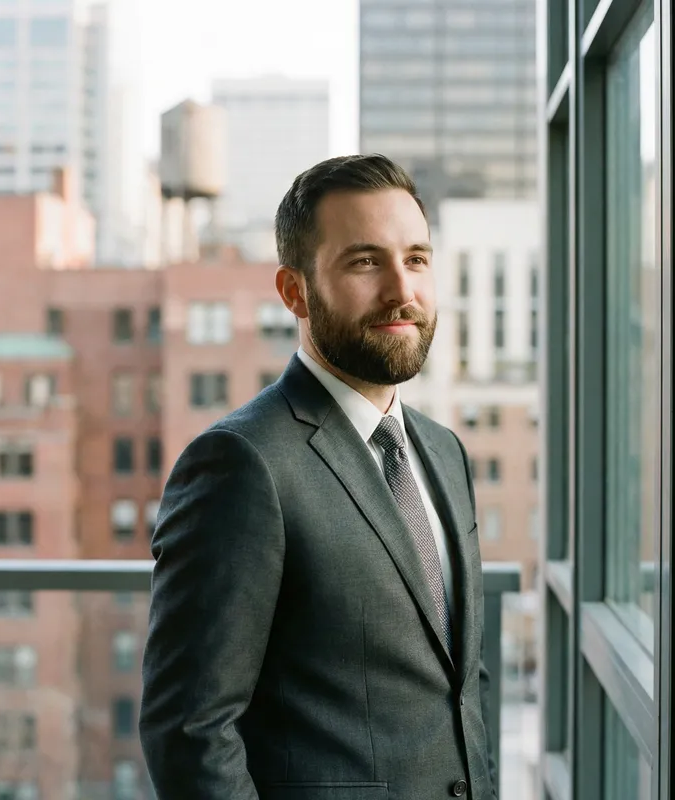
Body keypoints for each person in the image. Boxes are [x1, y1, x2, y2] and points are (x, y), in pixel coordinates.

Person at [139, 154, 497, 800]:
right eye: (365, 262)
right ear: (294, 291)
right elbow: (189, 730)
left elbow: (462, 681)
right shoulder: (240, 465)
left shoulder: (444, 453)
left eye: (416, 259)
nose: (402, 290)